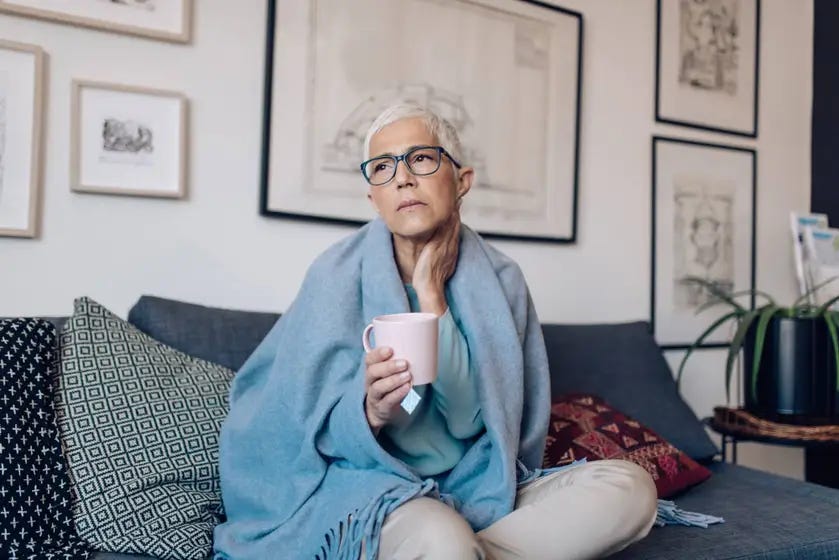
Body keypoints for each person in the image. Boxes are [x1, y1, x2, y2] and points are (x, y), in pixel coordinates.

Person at [213, 104, 658, 559]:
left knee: (631, 489)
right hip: (377, 487)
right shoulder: (333, 277)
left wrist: (432, 294)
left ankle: (468, 552)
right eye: (383, 168)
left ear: (461, 181)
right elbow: (285, 421)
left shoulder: (502, 280)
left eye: (421, 159)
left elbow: (473, 422)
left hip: (479, 480)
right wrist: (367, 411)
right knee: (440, 537)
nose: (402, 178)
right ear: (374, 199)